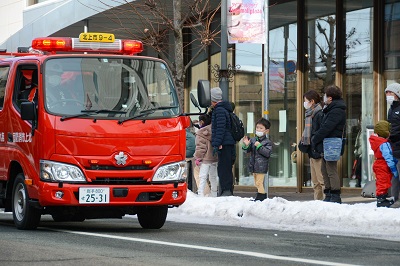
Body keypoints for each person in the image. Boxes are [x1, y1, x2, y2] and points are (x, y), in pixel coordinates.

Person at [312, 85, 346, 203]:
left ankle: (335, 195)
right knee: (324, 169)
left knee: (331, 169)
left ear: (330, 98)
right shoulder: (330, 109)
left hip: (332, 142)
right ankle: (328, 194)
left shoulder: (336, 110)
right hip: (327, 142)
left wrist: (315, 138)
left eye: (325, 95)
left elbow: (327, 127)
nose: (324, 97)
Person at [298, 90, 324, 200]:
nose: (304, 104)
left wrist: (313, 143)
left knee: (322, 181)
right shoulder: (310, 114)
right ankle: (317, 203)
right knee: (315, 182)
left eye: (306, 101)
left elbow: (319, 132)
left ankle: (326, 203)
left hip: (317, 152)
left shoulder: (319, 114)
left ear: (312, 101)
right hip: (312, 152)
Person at [210, 87, 236, 196]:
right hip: (227, 142)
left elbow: (220, 128)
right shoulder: (224, 109)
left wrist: (216, 144)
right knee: (225, 167)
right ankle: (226, 190)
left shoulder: (219, 110)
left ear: (213, 99)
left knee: (223, 168)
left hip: (224, 143)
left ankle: (226, 191)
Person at [369, 120, 399, 207]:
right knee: (383, 182)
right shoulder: (384, 144)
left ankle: (382, 197)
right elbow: (388, 156)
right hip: (383, 165)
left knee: (380, 181)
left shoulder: (376, 142)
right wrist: (393, 168)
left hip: (378, 163)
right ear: (385, 132)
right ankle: (381, 199)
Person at [242, 118, 273, 201]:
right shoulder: (253, 140)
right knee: (256, 183)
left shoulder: (267, 142)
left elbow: (267, 153)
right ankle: (260, 196)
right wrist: (246, 145)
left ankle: (262, 197)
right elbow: (247, 150)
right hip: (254, 165)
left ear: (266, 131)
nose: (258, 130)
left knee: (259, 182)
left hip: (261, 166)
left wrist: (259, 146)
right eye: (257, 128)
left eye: (261, 128)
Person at [194, 114, 218, 197]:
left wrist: (198, 158)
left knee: (202, 177)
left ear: (202, 122)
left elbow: (200, 148)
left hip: (205, 159)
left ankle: (200, 194)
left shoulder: (201, 133)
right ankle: (214, 193)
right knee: (213, 177)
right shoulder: (214, 130)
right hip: (214, 158)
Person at [385, 82, 400, 207]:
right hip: (394, 147)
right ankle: (395, 198)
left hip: (398, 145)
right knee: (395, 175)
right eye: (386, 93)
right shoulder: (391, 109)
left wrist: (392, 135)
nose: (388, 95)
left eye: (390, 92)